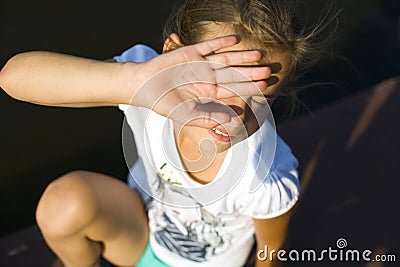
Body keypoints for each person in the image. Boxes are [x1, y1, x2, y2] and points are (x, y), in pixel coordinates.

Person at [0, 0, 337, 266]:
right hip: (138, 232)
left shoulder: (263, 174)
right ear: (173, 56)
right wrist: (130, 82)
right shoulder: (148, 87)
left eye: (260, 98)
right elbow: (12, 79)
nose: (235, 114)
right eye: (219, 83)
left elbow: (272, 250)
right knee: (64, 203)